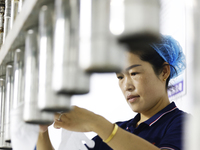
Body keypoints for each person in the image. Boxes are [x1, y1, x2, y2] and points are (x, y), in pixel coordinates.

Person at [37, 35, 187, 150]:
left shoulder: (184, 124)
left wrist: (95, 122)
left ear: (164, 72)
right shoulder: (120, 130)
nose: (127, 86)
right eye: (120, 77)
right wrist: (41, 131)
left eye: (134, 73)